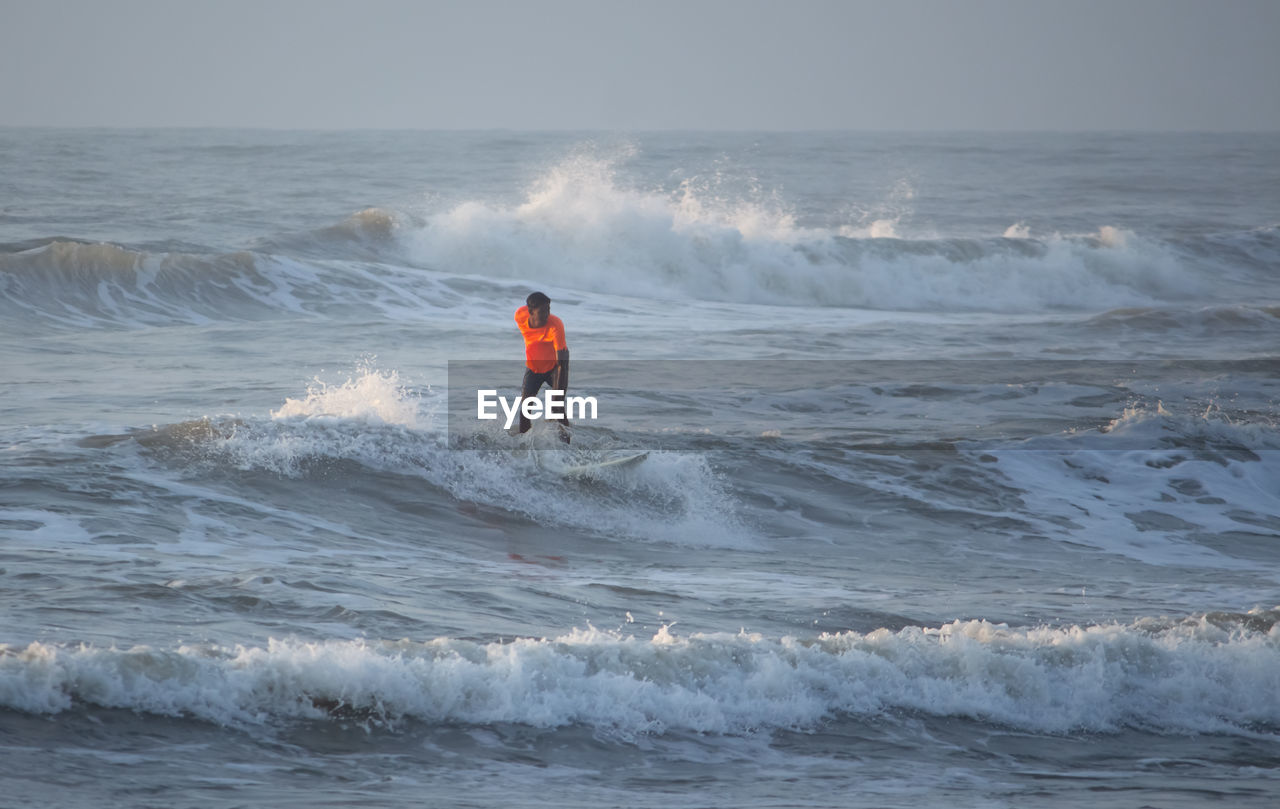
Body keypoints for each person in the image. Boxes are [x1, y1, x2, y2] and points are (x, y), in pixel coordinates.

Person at [513, 291, 570, 441]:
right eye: (543, 311)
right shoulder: (520, 315)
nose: (547, 314)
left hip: (556, 368)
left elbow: (562, 363)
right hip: (534, 368)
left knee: (557, 407)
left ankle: (568, 446)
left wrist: (558, 396)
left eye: (548, 310)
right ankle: (523, 444)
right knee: (525, 409)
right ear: (531, 312)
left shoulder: (555, 325)